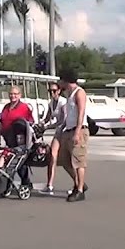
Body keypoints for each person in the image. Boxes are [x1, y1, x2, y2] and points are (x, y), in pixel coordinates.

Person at [55, 68, 89, 202]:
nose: (59, 82)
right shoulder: (69, 94)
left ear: (66, 80)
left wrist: (77, 132)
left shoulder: (79, 93)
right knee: (64, 161)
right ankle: (79, 182)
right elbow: (69, 115)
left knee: (78, 161)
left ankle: (79, 190)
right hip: (68, 130)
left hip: (78, 130)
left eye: (61, 79)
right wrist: (63, 127)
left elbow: (81, 113)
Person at [0, 85, 35, 191]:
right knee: (8, 160)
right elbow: (2, 122)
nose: (12, 96)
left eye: (15, 94)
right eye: (11, 94)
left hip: (19, 138)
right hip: (8, 137)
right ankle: (7, 182)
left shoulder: (24, 107)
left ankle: (25, 181)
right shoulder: (6, 107)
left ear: (20, 95)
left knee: (17, 161)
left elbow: (30, 122)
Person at [37, 81, 66, 195]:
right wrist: (40, 124)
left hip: (66, 132)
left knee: (67, 162)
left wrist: (48, 126)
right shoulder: (51, 102)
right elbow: (47, 117)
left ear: (59, 91)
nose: (52, 93)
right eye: (50, 91)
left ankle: (79, 184)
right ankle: (49, 185)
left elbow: (63, 120)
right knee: (52, 157)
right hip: (58, 132)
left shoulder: (63, 102)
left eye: (54, 91)